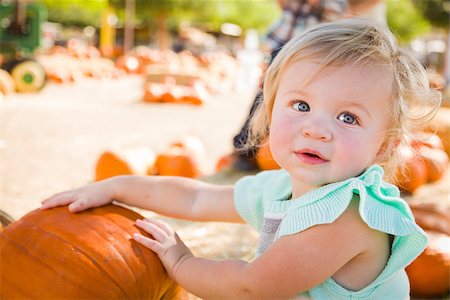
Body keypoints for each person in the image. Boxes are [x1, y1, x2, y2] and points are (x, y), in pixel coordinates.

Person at [41, 19, 440, 299]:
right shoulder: (282, 187)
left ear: (385, 146)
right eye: (300, 105)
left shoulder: (350, 217)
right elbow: (195, 199)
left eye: (348, 117)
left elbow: (252, 287)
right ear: (268, 112)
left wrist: (179, 262)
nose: (316, 128)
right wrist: (116, 186)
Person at [232, 0, 384, 170]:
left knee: (320, 99)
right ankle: (247, 148)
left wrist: (349, 9)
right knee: (269, 94)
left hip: (325, 44)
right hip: (290, 39)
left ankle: (306, 154)